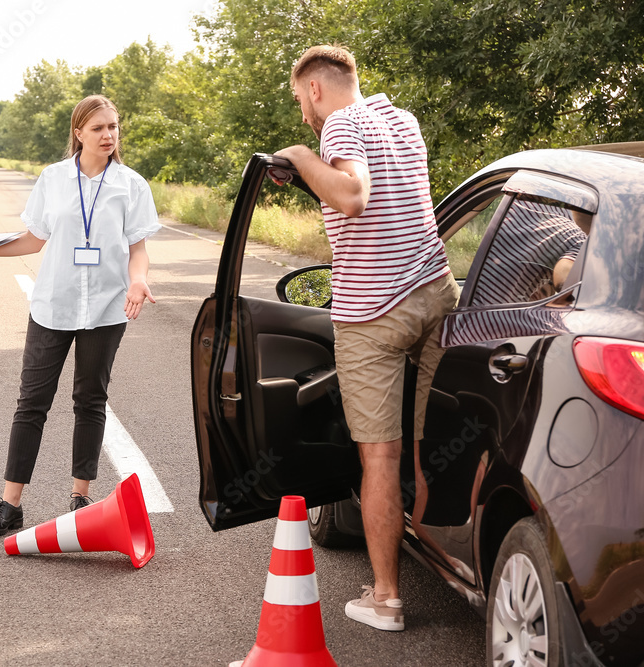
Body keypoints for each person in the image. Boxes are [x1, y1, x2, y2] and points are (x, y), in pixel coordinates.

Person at [274, 45, 459, 632]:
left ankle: (386, 599)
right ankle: (456, 562)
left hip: (375, 313)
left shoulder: (339, 126)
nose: (304, 111)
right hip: (438, 294)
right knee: (435, 440)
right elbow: (387, 204)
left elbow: (355, 197)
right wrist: (309, 173)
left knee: (379, 456)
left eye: (302, 100)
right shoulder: (401, 121)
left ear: (316, 90)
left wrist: (303, 154)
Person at [0, 95, 161, 537]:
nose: (108, 135)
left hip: (104, 307)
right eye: (98, 128)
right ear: (79, 132)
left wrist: (138, 280)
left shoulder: (131, 185)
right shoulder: (54, 179)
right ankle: (9, 505)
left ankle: (80, 499)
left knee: (90, 401)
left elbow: (138, 248)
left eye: (113, 127)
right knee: (31, 403)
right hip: (53, 305)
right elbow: (32, 240)